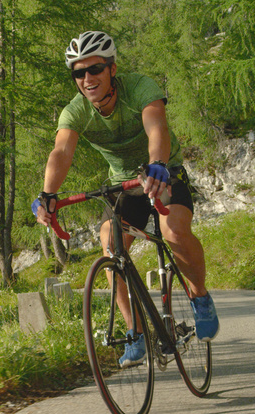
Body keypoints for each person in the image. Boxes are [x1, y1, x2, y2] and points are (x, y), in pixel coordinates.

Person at [32, 30, 219, 368]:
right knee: (110, 245)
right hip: (123, 185)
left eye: (95, 69)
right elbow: (61, 151)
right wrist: (47, 195)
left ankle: (200, 297)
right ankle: (134, 331)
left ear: (112, 69)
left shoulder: (139, 87)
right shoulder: (76, 111)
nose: (87, 79)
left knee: (174, 232)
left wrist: (158, 164)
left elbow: (156, 126)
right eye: (78, 72)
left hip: (164, 172)